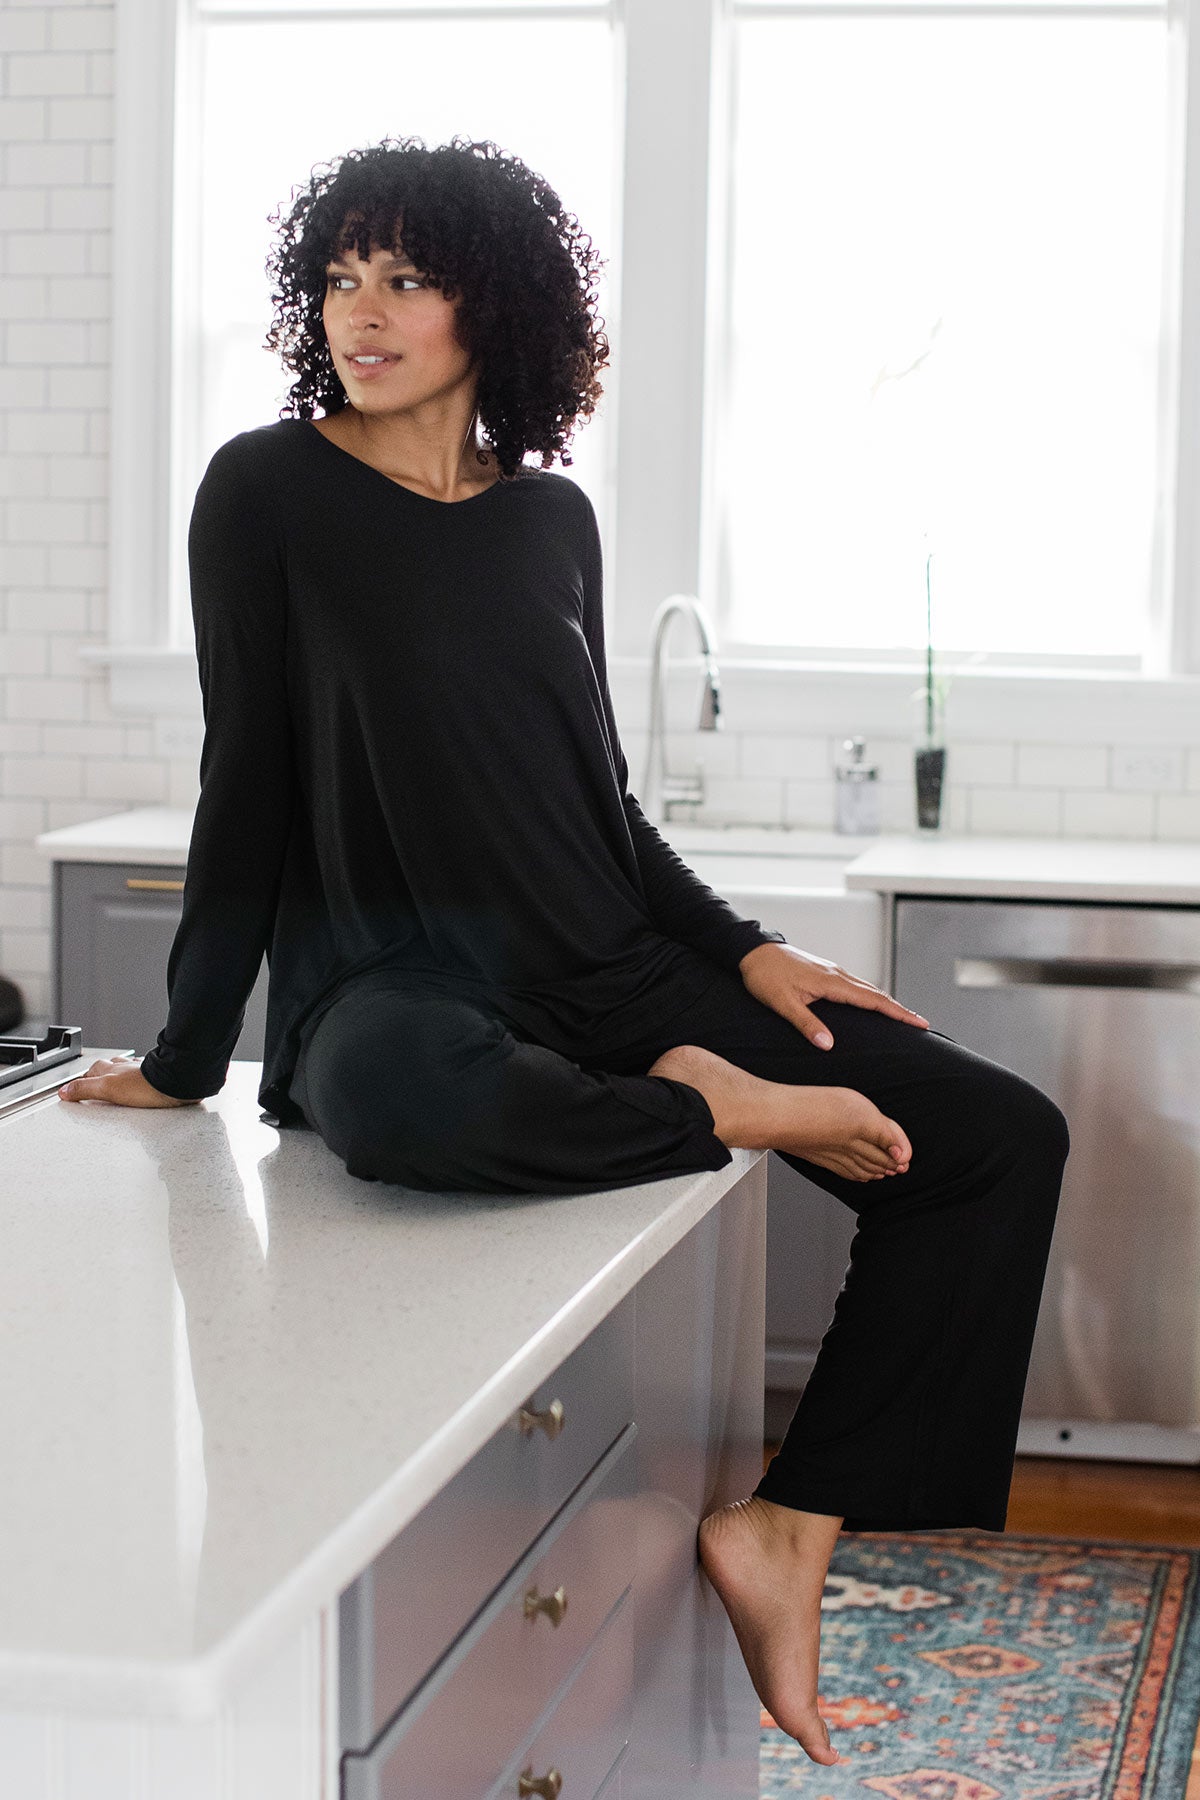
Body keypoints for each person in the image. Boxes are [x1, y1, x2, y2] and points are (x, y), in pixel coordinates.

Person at [59, 133, 1070, 1768]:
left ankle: (790, 1531)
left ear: (496, 309)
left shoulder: (552, 520)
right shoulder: (267, 488)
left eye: (407, 279)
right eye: (339, 277)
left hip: (610, 964)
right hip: (401, 979)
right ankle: (712, 1113)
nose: (361, 314)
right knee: (393, 1104)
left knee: (999, 1141)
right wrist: (189, 1061)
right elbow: (240, 778)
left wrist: (747, 958)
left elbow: (596, 797)